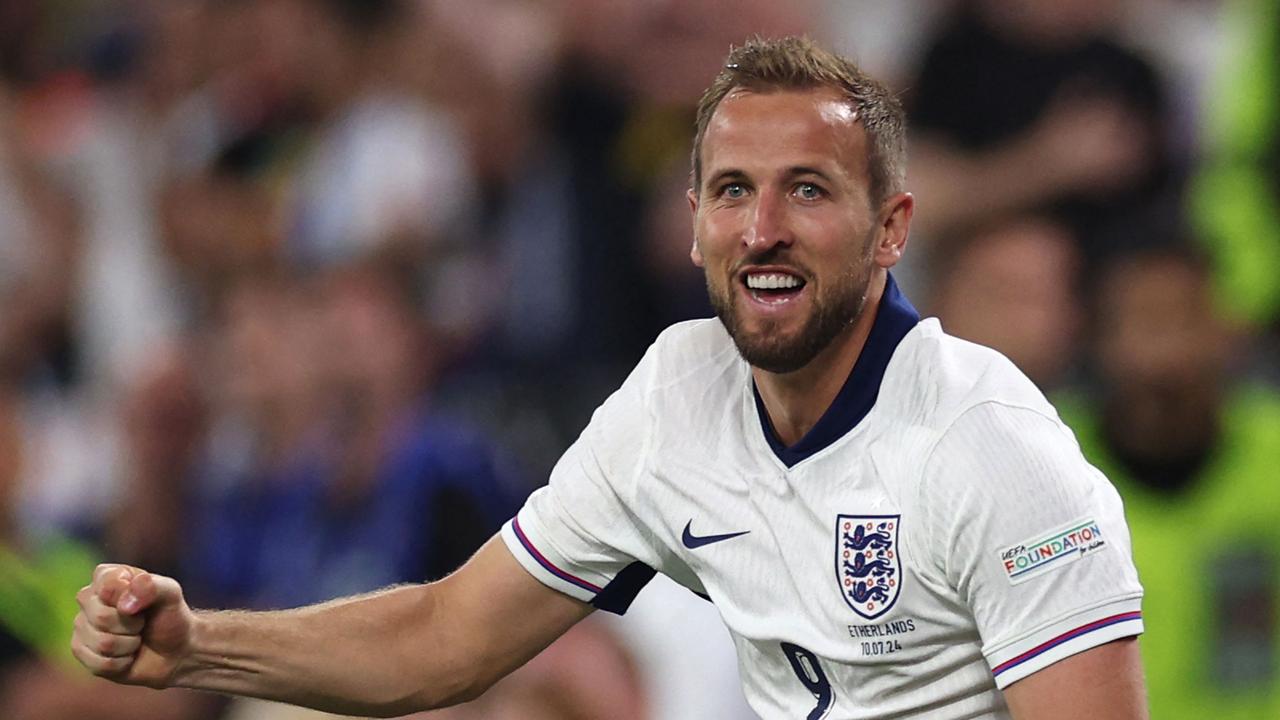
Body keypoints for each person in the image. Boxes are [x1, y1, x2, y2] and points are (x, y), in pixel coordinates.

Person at [71, 37, 1148, 719]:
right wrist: (197, 646)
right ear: (692, 228)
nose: (760, 230)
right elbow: (442, 640)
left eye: (807, 191)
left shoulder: (989, 446)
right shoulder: (675, 396)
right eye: (730, 192)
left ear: (889, 231)